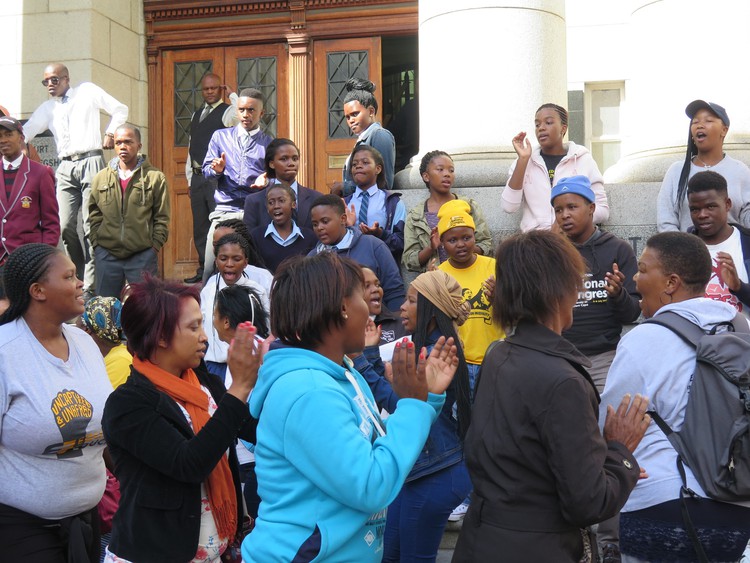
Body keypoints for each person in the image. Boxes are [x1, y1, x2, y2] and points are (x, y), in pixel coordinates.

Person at [241, 252, 459, 562]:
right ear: (343, 307)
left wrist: (428, 399)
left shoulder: (344, 373)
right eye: (362, 293)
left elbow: (380, 448)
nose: (373, 311)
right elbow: (370, 484)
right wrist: (412, 405)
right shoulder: (309, 392)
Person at [453, 230, 649, 563]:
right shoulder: (563, 380)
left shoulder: (499, 354)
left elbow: (524, 456)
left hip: (482, 539)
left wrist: (598, 456)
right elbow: (588, 503)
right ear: (560, 290)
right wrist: (619, 451)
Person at [600, 232, 750, 562]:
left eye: (642, 269)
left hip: (662, 503)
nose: (636, 278)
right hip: (739, 506)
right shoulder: (741, 328)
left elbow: (609, 424)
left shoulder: (644, 339)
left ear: (671, 282)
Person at [101, 276, 261, 562]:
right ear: (161, 336)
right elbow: (189, 464)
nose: (204, 337)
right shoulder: (128, 403)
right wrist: (239, 389)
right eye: (193, 327)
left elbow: (252, 429)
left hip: (216, 550)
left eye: (202, 323)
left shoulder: (202, 381)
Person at [0, 243, 113, 562]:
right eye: (69, 276)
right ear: (38, 291)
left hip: (87, 520)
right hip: (21, 530)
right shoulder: (5, 353)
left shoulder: (85, 343)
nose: (81, 283)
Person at [381, 270, 473, 563]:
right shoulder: (432, 350)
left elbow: (404, 407)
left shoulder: (435, 357)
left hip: (434, 472)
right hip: (417, 471)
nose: (401, 308)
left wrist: (364, 361)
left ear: (432, 311)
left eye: (410, 301)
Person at [23, 63, 128, 297]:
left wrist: (111, 132)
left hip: (90, 160)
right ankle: (75, 278)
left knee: (91, 226)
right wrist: (14, 142)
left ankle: (90, 287)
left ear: (66, 79)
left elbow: (120, 109)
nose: (50, 85)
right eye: (46, 81)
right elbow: (27, 130)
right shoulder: (48, 107)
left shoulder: (87, 91)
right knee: (64, 225)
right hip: (65, 167)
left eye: (54, 80)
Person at [551, 175, 641, 392]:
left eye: (572, 207)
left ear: (591, 208)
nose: (565, 215)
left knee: (604, 421)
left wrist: (618, 294)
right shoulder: (552, 253)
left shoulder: (618, 249)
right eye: (558, 210)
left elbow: (632, 314)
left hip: (604, 358)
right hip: (560, 356)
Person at [88, 124, 170, 299]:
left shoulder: (155, 177)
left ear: (139, 145)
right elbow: (94, 214)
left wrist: (153, 247)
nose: (122, 147)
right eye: (118, 143)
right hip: (107, 254)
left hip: (142, 255)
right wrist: (97, 245)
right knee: (105, 311)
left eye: (128, 142)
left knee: (145, 309)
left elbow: (161, 217)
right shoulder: (101, 177)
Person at [201, 88, 273, 283]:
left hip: (256, 212)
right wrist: (216, 170)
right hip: (225, 211)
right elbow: (206, 172)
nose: (245, 115)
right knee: (209, 269)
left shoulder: (268, 144)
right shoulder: (220, 137)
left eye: (251, 110)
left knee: (257, 269)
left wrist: (266, 181)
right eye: (241, 110)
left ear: (261, 113)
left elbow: (276, 179)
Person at [502, 103, 609, 232]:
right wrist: (523, 160)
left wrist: (564, 223)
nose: (541, 128)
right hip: (536, 242)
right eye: (537, 125)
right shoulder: (523, 162)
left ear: (563, 129)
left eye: (548, 122)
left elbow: (603, 210)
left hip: (575, 239)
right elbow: (508, 207)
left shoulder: (583, 159)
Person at [213, 284, 270, 520]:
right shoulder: (253, 345)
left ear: (226, 321)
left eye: (213, 315)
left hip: (252, 457)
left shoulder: (246, 350)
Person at [658, 100, 750, 232]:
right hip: (688, 251)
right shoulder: (676, 171)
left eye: (708, 121)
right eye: (695, 122)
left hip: (731, 250)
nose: (700, 125)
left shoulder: (740, 170)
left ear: (724, 130)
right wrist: (685, 250)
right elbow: (665, 221)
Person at [184, 73, 240, 284]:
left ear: (220, 89)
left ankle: (219, 269)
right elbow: (191, 147)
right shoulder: (196, 114)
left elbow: (239, 115)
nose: (209, 92)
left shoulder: (226, 112)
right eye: (206, 89)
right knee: (200, 226)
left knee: (219, 225)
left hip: (217, 178)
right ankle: (203, 269)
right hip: (198, 178)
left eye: (214, 88)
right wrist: (189, 177)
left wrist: (233, 94)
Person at [309, 194, 405, 310]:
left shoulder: (373, 246)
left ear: (343, 219)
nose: (319, 228)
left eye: (325, 221)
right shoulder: (312, 259)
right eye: (315, 224)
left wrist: (394, 325)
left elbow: (394, 291)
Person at [403, 150, 492, 273]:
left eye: (451, 170)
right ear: (426, 176)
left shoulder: (469, 206)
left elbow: (486, 246)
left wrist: (465, 248)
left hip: (470, 277)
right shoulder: (415, 216)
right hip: (438, 283)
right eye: (440, 169)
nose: (447, 174)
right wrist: (431, 248)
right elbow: (409, 260)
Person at [201, 232, 270, 382]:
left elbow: (265, 330)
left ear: (246, 262)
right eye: (223, 258)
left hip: (244, 366)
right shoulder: (209, 290)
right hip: (213, 366)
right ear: (216, 260)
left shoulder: (256, 291)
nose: (229, 264)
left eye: (236, 259)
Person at [0, 116, 59, 267]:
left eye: (8, 135)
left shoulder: (40, 173)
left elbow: (51, 223)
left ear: (21, 137)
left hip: (28, 261)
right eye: (0, 136)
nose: (3, 140)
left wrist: (43, 259)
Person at [687, 170, 750, 313]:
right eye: (695, 209)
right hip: (694, 335)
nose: (702, 215)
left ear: (727, 204)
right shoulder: (681, 250)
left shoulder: (747, 243)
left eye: (710, 207)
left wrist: (739, 287)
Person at [344, 144, 406, 264]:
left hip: (380, 264)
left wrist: (380, 234)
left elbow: (401, 241)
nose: (358, 166)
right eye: (354, 164)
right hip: (350, 266)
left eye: (365, 162)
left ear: (378, 169)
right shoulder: (344, 204)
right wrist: (347, 228)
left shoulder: (393, 203)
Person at [243, 138, 318, 232]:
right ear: (272, 164)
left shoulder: (316, 198)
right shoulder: (254, 201)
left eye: (295, 159)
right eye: (284, 159)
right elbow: (248, 240)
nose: (291, 163)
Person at [337, 78, 396, 197]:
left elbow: (384, 183)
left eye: (355, 114)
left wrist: (344, 187)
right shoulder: (362, 139)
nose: (351, 121)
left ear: (370, 111)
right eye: (347, 117)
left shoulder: (380, 136)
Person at [249, 182, 316, 274]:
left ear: (293, 204)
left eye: (282, 201)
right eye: (271, 202)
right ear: (267, 208)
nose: (276, 206)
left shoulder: (309, 237)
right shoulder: (256, 236)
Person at [76, 296, 132, 389]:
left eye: (76, 327)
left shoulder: (121, 360)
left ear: (86, 329)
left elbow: (97, 400)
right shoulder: (101, 356)